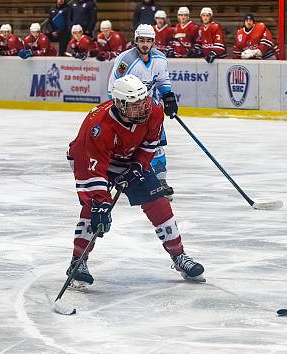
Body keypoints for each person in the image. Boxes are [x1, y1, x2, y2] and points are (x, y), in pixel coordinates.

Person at [66, 74, 205, 287]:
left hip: (128, 159)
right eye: (134, 105)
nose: (142, 109)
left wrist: (138, 166)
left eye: (143, 102)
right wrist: (100, 204)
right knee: (94, 210)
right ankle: (78, 261)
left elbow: (150, 144)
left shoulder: (154, 111)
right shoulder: (98, 127)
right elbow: (91, 171)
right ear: (120, 104)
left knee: (158, 203)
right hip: (91, 159)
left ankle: (179, 257)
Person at [108, 24, 178, 200]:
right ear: (136, 40)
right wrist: (121, 111)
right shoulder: (126, 61)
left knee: (157, 146)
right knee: (129, 147)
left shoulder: (160, 59)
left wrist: (168, 96)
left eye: (148, 41)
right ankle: (117, 179)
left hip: (151, 110)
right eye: (141, 40)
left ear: (153, 42)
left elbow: (162, 80)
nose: (145, 44)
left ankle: (161, 181)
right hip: (129, 111)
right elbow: (113, 87)